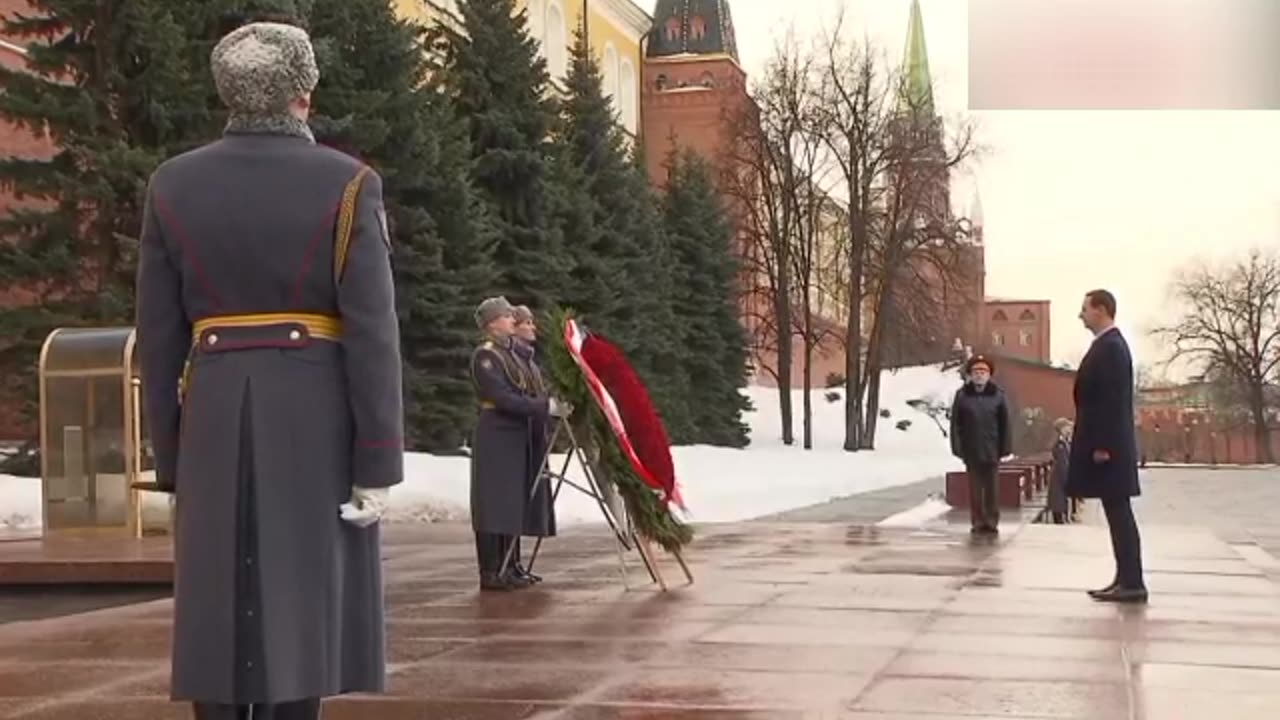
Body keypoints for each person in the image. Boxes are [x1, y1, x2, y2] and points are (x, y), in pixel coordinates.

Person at [135, 21, 403, 720]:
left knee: (215, 603)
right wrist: (377, 459)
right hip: (313, 410)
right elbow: (373, 332)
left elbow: (159, 338)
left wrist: (172, 456)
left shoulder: (172, 184)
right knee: (301, 606)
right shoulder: (349, 185)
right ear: (303, 96)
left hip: (215, 406)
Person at [469, 297, 568, 591]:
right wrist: (544, 408)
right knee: (494, 503)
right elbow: (502, 398)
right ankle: (491, 570)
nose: (513, 319)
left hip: (515, 434)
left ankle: (509, 565)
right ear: (492, 322)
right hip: (497, 434)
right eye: (506, 315)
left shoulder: (510, 354)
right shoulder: (486, 356)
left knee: (511, 502)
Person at [1065, 289, 1146, 603]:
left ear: (1101, 309)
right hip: (1107, 444)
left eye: (1084, 308)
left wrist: (1102, 446)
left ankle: (1132, 582)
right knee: (1116, 511)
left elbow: (1110, 402)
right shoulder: (1107, 345)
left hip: (1109, 447)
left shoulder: (1111, 347)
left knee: (1119, 511)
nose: (1081, 314)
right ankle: (1125, 578)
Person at [511, 305, 557, 582]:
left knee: (520, 501)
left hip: (531, 434)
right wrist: (544, 406)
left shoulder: (528, 361)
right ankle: (503, 565)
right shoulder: (507, 358)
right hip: (516, 434)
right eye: (526, 323)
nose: (533, 327)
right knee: (508, 503)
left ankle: (514, 563)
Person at [950, 354, 1012, 535]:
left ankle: (991, 521)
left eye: (983, 371)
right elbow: (956, 425)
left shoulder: (998, 396)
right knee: (975, 490)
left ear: (989, 374)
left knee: (992, 489)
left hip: (992, 449)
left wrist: (1005, 447)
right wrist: (957, 447)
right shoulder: (962, 396)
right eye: (976, 371)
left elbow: (1005, 424)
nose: (979, 374)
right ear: (970, 374)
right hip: (971, 449)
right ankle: (977, 521)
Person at [1048, 418, 1073, 524]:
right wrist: (1067, 480)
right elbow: (1063, 464)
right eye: (1068, 427)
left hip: (1059, 478)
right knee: (1058, 504)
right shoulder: (1060, 444)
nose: (1070, 429)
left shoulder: (1064, 442)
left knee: (1060, 503)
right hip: (1059, 479)